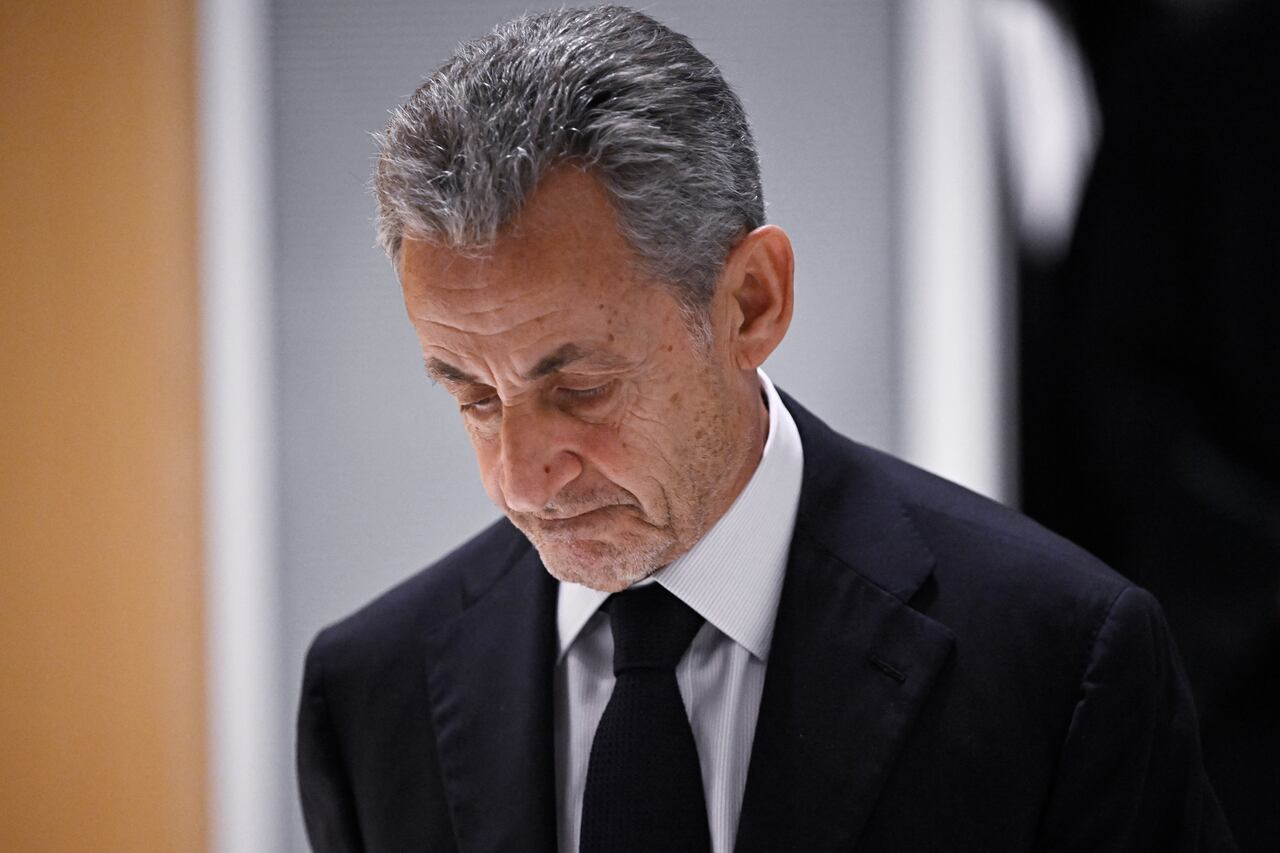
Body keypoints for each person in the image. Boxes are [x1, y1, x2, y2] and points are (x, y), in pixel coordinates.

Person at [296, 6, 1235, 851]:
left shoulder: (1064, 660)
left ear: (752, 302)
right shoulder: (371, 694)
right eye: (472, 396)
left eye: (579, 386)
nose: (524, 482)